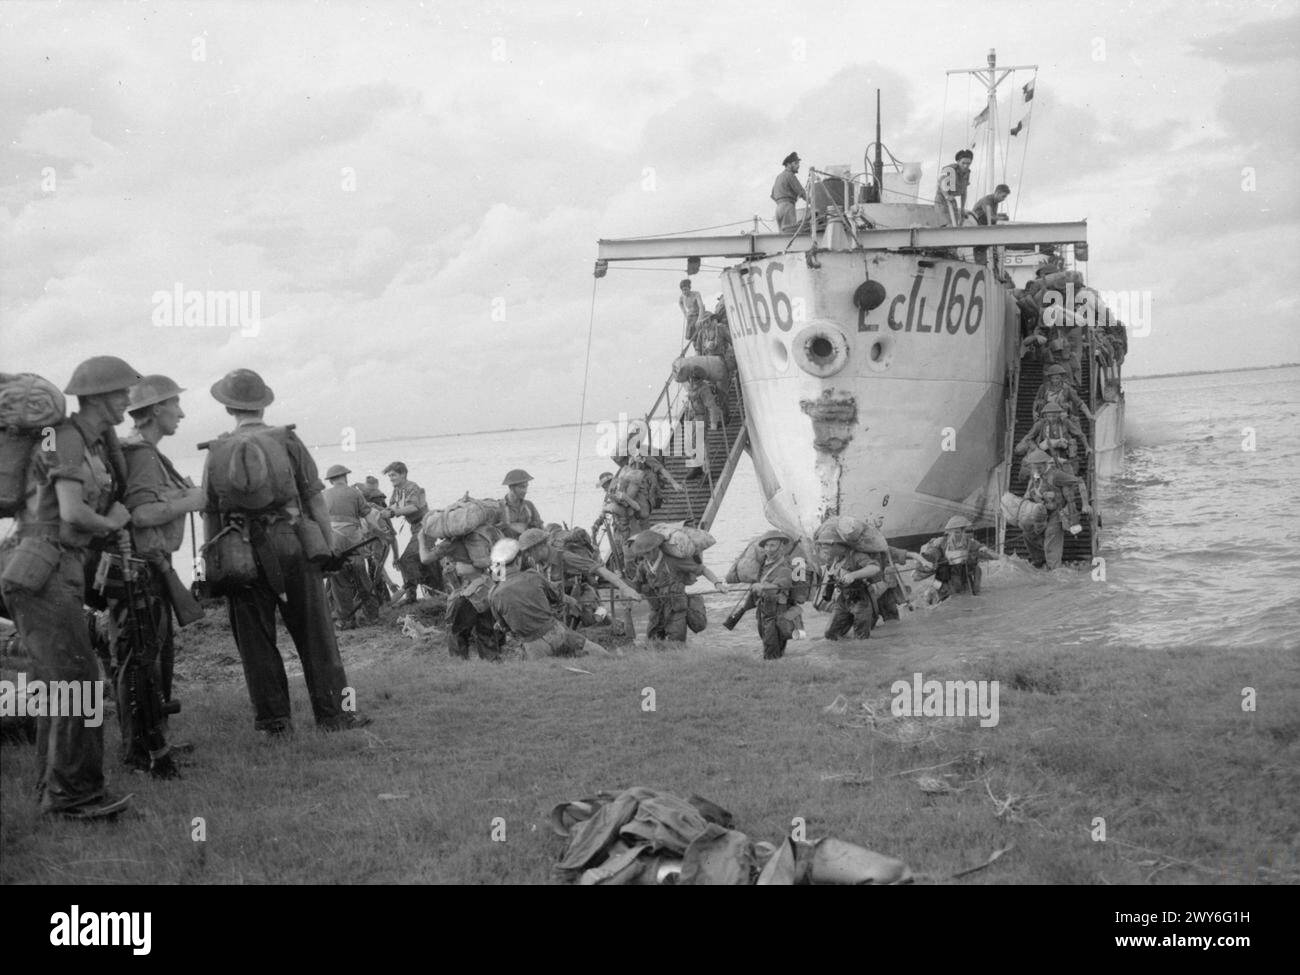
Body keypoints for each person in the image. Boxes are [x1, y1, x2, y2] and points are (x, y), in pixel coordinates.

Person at [0, 356, 141, 819]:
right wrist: (113, 521)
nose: (128, 399)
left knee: (63, 683)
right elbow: (74, 513)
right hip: (43, 569)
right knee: (80, 683)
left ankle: (54, 788)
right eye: (122, 392)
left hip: (52, 569)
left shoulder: (87, 441)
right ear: (101, 396)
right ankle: (73, 797)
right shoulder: (65, 437)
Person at [202, 369, 370, 735]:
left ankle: (274, 725)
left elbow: (211, 514)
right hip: (293, 543)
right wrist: (326, 547)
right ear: (263, 403)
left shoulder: (216, 451)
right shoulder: (288, 440)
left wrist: (214, 565)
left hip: (239, 552)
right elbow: (315, 500)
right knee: (318, 636)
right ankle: (336, 715)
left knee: (254, 642)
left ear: (229, 406)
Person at [116, 374, 208, 768]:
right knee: (140, 660)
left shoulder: (147, 452)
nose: (181, 413)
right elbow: (141, 513)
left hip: (149, 566)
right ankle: (142, 751)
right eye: (175, 405)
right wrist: (190, 501)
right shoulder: (142, 454)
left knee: (152, 658)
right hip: (140, 568)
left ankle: (154, 742)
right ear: (156, 409)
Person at [488, 539, 616, 659]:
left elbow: (504, 626)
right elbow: (557, 597)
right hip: (555, 632)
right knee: (599, 655)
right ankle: (612, 660)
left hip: (532, 645)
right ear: (518, 561)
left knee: (547, 677)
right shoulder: (533, 576)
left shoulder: (493, 594)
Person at [518, 526, 642, 628]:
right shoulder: (535, 562)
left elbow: (599, 569)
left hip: (580, 598)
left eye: (529, 551)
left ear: (540, 547)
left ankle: (610, 622)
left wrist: (625, 588)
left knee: (596, 623)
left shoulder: (565, 557)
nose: (527, 555)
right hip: (558, 603)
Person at [625, 530, 726, 642]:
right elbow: (636, 587)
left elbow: (702, 570)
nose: (645, 556)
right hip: (657, 611)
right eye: (643, 554)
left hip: (676, 610)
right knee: (652, 642)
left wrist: (717, 583)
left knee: (676, 643)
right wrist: (621, 580)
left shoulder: (673, 561)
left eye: (647, 553)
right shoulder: (643, 566)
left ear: (656, 548)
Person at [321, 464, 378, 629]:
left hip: (334, 543)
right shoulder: (355, 493)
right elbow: (368, 516)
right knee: (362, 577)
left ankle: (346, 620)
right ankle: (373, 617)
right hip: (354, 542)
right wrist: (378, 532)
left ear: (331, 480)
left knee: (339, 581)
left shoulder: (324, 495)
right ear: (345, 477)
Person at [1020, 449, 1088, 570]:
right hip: (1041, 512)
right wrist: (1028, 496)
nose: (1036, 471)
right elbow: (1032, 489)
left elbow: (1079, 481)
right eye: (1034, 468)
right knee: (1027, 533)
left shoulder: (1056, 475)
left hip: (1056, 514)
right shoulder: (1036, 474)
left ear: (1045, 464)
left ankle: (1055, 570)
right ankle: (1039, 561)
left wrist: (1085, 504)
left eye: (1039, 468)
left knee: (1051, 535)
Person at [382, 460, 430, 605]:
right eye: (389, 476)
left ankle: (409, 593)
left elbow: (413, 507)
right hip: (415, 527)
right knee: (414, 561)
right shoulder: (397, 490)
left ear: (403, 474)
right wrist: (383, 511)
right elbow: (393, 505)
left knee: (406, 559)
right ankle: (413, 594)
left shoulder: (412, 487)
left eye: (393, 475)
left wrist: (393, 513)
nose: (391, 479)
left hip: (425, 527)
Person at [918, 516, 998, 600]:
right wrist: (928, 557)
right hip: (944, 575)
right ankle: (933, 592)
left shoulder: (969, 542)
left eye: (959, 532)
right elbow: (929, 552)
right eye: (955, 532)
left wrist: (984, 550)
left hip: (962, 574)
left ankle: (974, 594)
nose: (957, 535)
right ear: (949, 532)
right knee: (938, 588)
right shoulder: (941, 542)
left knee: (968, 592)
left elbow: (990, 553)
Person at [750, 530, 799, 659]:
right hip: (763, 609)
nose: (768, 549)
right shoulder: (763, 564)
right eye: (766, 545)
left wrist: (762, 586)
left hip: (778, 611)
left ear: (781, 546)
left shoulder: (785, 566)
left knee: (771, 647)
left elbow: (777, 588)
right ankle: (779, 665)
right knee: (767, 640)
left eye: (772, 545)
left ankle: (773, 668)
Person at [1016, 401, 1092, 474]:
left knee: (1067, 472)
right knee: (1039, 474)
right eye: (1049, 416)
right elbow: (1029, 438)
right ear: (1045, 415)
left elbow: (1080, 434)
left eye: (1054, 416)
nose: (1052, 419)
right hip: (1044, 453)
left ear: (1059, 414)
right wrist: (1036, 449)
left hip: (1062, 453)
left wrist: (1087, 447)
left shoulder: (1065, 422)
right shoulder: (1040, 424)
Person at [934, 149, 974, 226]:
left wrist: (962, 208)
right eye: (963, 163)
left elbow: (964, 192)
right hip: (942, 199)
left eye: (968, 163)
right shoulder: (949, 169)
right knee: (946, 224)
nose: (966, 166)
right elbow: (941, 183)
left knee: (955, 224)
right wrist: (946, 196)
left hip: (952, 199)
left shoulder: (967, 173)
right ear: (958, 162)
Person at [500, 469, 543, 538]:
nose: (525, 491)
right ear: (511, 487)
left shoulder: (529, 505)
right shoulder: (499, 507)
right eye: (522, 487)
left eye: (526, 487)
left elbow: (540, 527)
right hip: (507, 546)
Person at [771, 152, 807, 233]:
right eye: (795, 163)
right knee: (789, 235)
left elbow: (773, 195)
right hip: (788, 207)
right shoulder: (790, 175)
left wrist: (781, 202)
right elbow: (801, 192)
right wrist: (813, 202)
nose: (798, 165)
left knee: (782, 237)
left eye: (798, 163)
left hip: (778, 209)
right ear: (788, 164)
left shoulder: (779, 177)